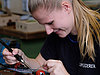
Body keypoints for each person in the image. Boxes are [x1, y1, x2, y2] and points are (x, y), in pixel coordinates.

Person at [2, 0, 100, 75]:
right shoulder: (57, 33)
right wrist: (23, 59)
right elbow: (39, 64)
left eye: (50, 23)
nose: (48, 31)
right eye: (43, 25)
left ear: (66, 7)